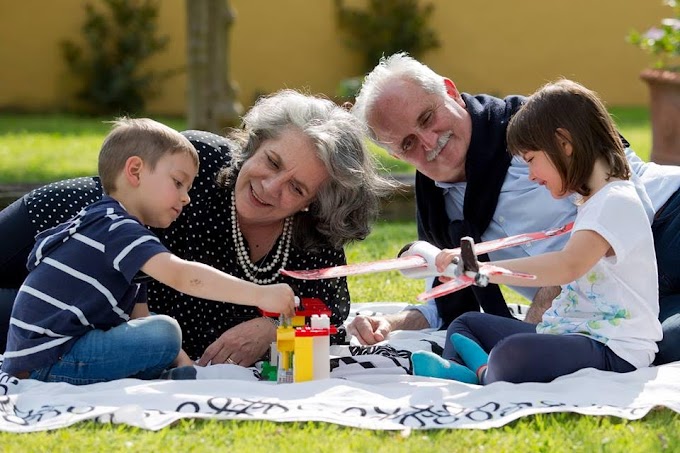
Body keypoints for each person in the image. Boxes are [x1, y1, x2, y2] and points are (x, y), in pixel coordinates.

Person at [0, 90, 396, 366]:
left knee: (25, 325)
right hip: (60, 226)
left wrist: (275, 327)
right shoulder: (199, 162)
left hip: (79, 312)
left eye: (296, 187)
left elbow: (331, 313)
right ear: (253, 145)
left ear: (313, 202)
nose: (270, 187)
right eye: (272, 162)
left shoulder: (313, 237)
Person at [348, 52, 680, 365]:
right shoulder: (438, 205)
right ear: (396, 156)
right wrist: (391, 324)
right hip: (618, 294)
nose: (429, 141)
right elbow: (448, 290)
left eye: (427, 117)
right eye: (408, 143)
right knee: (657, 346)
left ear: (450, 92)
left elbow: (626, 184)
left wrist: (547, 310)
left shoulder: (530, 127)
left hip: (666, 223)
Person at [1, 118, 298, 384]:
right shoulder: (116, 228)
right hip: (50, 357)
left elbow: (138, 317)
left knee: (155, 328)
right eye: (178, 183)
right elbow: (183, 276)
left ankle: (161, 370)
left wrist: (185, 365)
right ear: (135, 171)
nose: (186, 198)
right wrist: (260, 294)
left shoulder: (120, 232)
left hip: (51, 353)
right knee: (164, 331)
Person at [411, 79, 662, 384]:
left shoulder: (616, 200)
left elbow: (566, 266)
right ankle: (480, 374)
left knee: (511, 352)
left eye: (531, 160)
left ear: (564, 144)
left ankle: (481, 373)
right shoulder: (591, 202)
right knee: (465, 325)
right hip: (570, 331)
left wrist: (484, 270)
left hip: (613, 349)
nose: (531, 175)